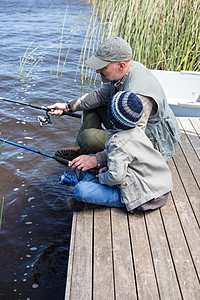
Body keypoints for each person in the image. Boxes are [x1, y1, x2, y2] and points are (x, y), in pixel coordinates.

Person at [49, 37, 181, 169]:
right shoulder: (124, 72)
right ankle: (84, 150)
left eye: (103, 67)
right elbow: (99, 96)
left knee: (87, 138)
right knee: (92, 106)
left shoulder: (139, 96)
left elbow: (133, 140)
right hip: (130, 128)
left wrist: (98, 160)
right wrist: (68, 106)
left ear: (121, 65)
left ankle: (88, 149)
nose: (97, 71)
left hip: (149, 139)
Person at [65, 91, 173, 213]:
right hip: (161, 187)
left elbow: (115, 177)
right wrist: (101, 164)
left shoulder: (118, 143)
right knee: (91, 159)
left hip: (146, 199)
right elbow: (118, 158)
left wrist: (101, 177)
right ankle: (90, 182)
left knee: (81, 191)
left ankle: (91, 198)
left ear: (112, 119)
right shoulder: (138, 132)